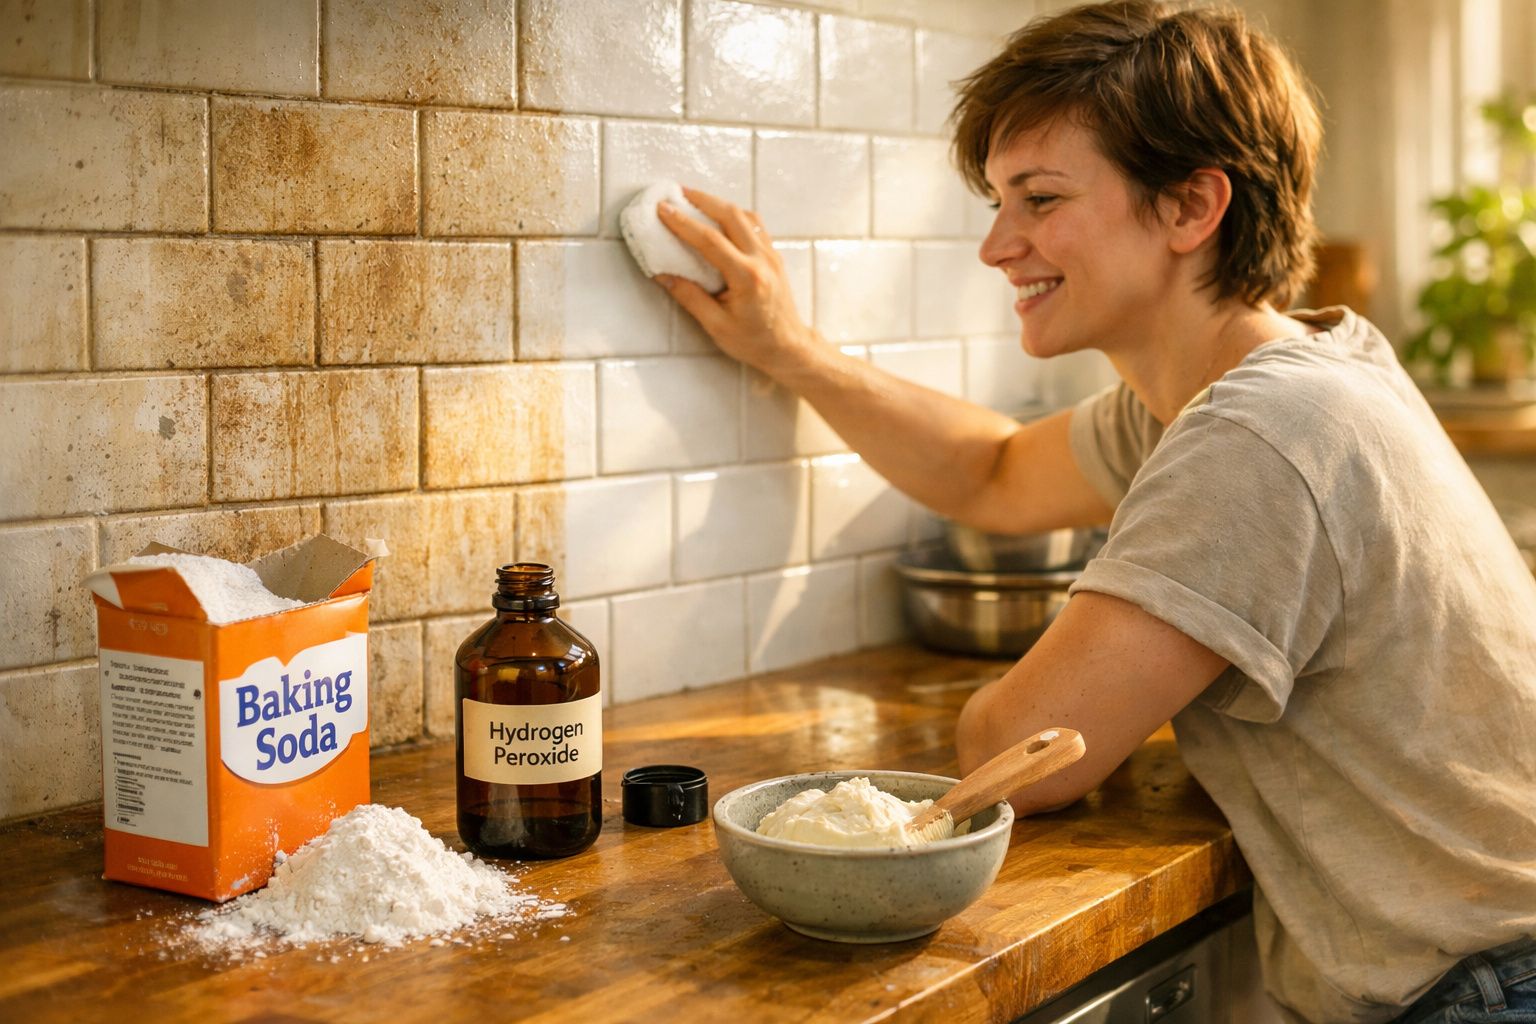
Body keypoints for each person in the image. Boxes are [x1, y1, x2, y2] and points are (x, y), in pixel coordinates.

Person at [650, 3, 1536, 1021]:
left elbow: (1016, 751)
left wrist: (1075, 662)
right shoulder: (1278, 375)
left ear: (1191, 206)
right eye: (1000, 201)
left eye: (1040, 198)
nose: (997, 245)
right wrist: (789, 351)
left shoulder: (1263, 428)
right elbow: (991, 472)